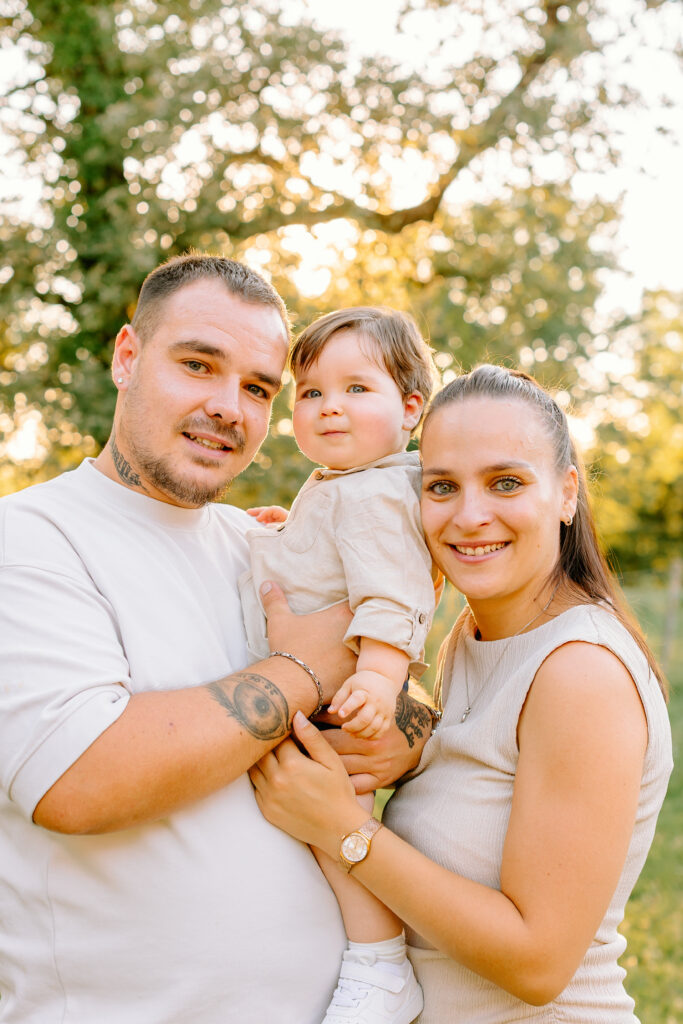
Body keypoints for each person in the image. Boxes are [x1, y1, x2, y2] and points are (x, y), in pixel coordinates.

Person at [0, 254, 430, 1024]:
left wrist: (403, 726)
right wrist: (305, 668)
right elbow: (78, 779)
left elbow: (399, 710)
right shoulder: (30, 539)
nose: (229, 406)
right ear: (127, 357)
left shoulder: (263, 543)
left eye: (259, 388)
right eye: (198, 364)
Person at [249, 364, 674, 1024]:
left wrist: (344, 831)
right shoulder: (470, 637)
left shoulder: (580, 671)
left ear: (565, 494)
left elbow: (537, 963)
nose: (470, 515)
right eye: (441, 486)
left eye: (505, 482)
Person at [240, 307, 440, 1023]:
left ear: (410, 408)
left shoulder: (376, 493)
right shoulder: (343, 483)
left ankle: (380, 963)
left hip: (344, 694)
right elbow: (327, 566)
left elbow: (393, 595)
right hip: (321, 689)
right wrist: (281, 535)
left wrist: (381, 680)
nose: (329, 408)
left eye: (357, 389)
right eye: (311, 392)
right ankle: (371, 958)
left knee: (341, 831)